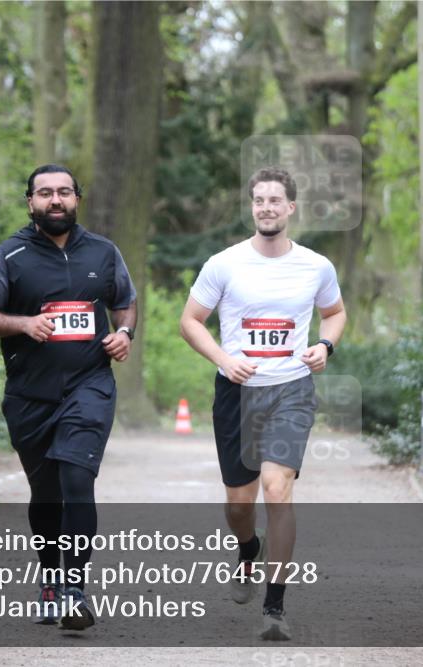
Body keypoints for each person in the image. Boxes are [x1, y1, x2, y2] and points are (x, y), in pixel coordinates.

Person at [179, 166, 346, 641]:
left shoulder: (316, 266)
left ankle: (275, 606)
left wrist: (325, 346)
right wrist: (223, 358)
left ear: (290, 208)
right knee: (238, 505)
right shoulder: (224, 264)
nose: (266, 208)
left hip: (291, 389)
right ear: (251, 207)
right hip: (236, 393)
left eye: (275, 200)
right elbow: (190, 321)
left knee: (277, 490)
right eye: (259, 200)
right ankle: (247, 548)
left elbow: (334, 313)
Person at [0, 164, 137, 631]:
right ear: (30, 202)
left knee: (77, 481)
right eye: (45, 193)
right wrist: (23, 324)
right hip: (29, 394)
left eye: (64, 192)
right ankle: (49, 577)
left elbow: (125, 301)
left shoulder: (104, 252)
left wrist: (124, 332)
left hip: (90, 386)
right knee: (45, 493)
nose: (55, 200)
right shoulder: (9, 256)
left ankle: (73, 589)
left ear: (77, 199)